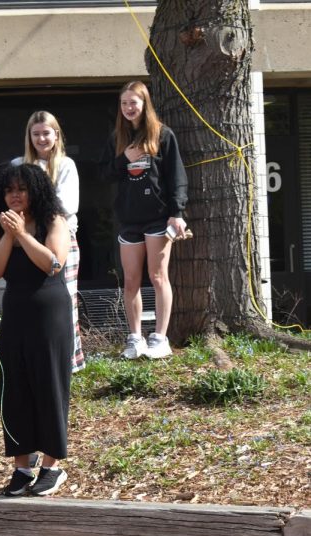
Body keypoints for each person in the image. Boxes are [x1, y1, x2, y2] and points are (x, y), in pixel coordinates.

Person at [0, 163, 73, 497]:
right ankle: (22, 466)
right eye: (9, 190)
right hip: (15, 313)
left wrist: (22, 234)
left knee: (49, 386)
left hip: (50, 313)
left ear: (36, 191)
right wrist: (8, 234)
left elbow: (53, 263)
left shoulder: (53, 220)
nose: (15, 195)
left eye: (22, 189)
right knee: (16, 389)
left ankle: (52, 465)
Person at [101, 81, 188, 360]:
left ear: (144, 104)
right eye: (124, 103)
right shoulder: (117, 137)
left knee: (158, 276)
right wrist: (123, 159)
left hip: (159, 218)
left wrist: (177, 213)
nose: (128, 108)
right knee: (131, 281)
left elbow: (177, 177)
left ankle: (160, 338)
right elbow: (104, 175)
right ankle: (135, 338)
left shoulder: (163, 134)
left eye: (133, 103)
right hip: (129, 219)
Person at [12, 111, 85, 372]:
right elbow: (10, 202)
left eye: (46, 133)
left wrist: (31, 203)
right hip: (25, 241)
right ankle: (36, 357)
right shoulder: (17, 164)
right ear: (29, 137)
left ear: (56, 135)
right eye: (36, 134)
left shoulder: (66, 165)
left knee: (65, 299)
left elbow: (66, 206)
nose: (41, 138)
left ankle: (68, 361)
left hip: (62, 240)